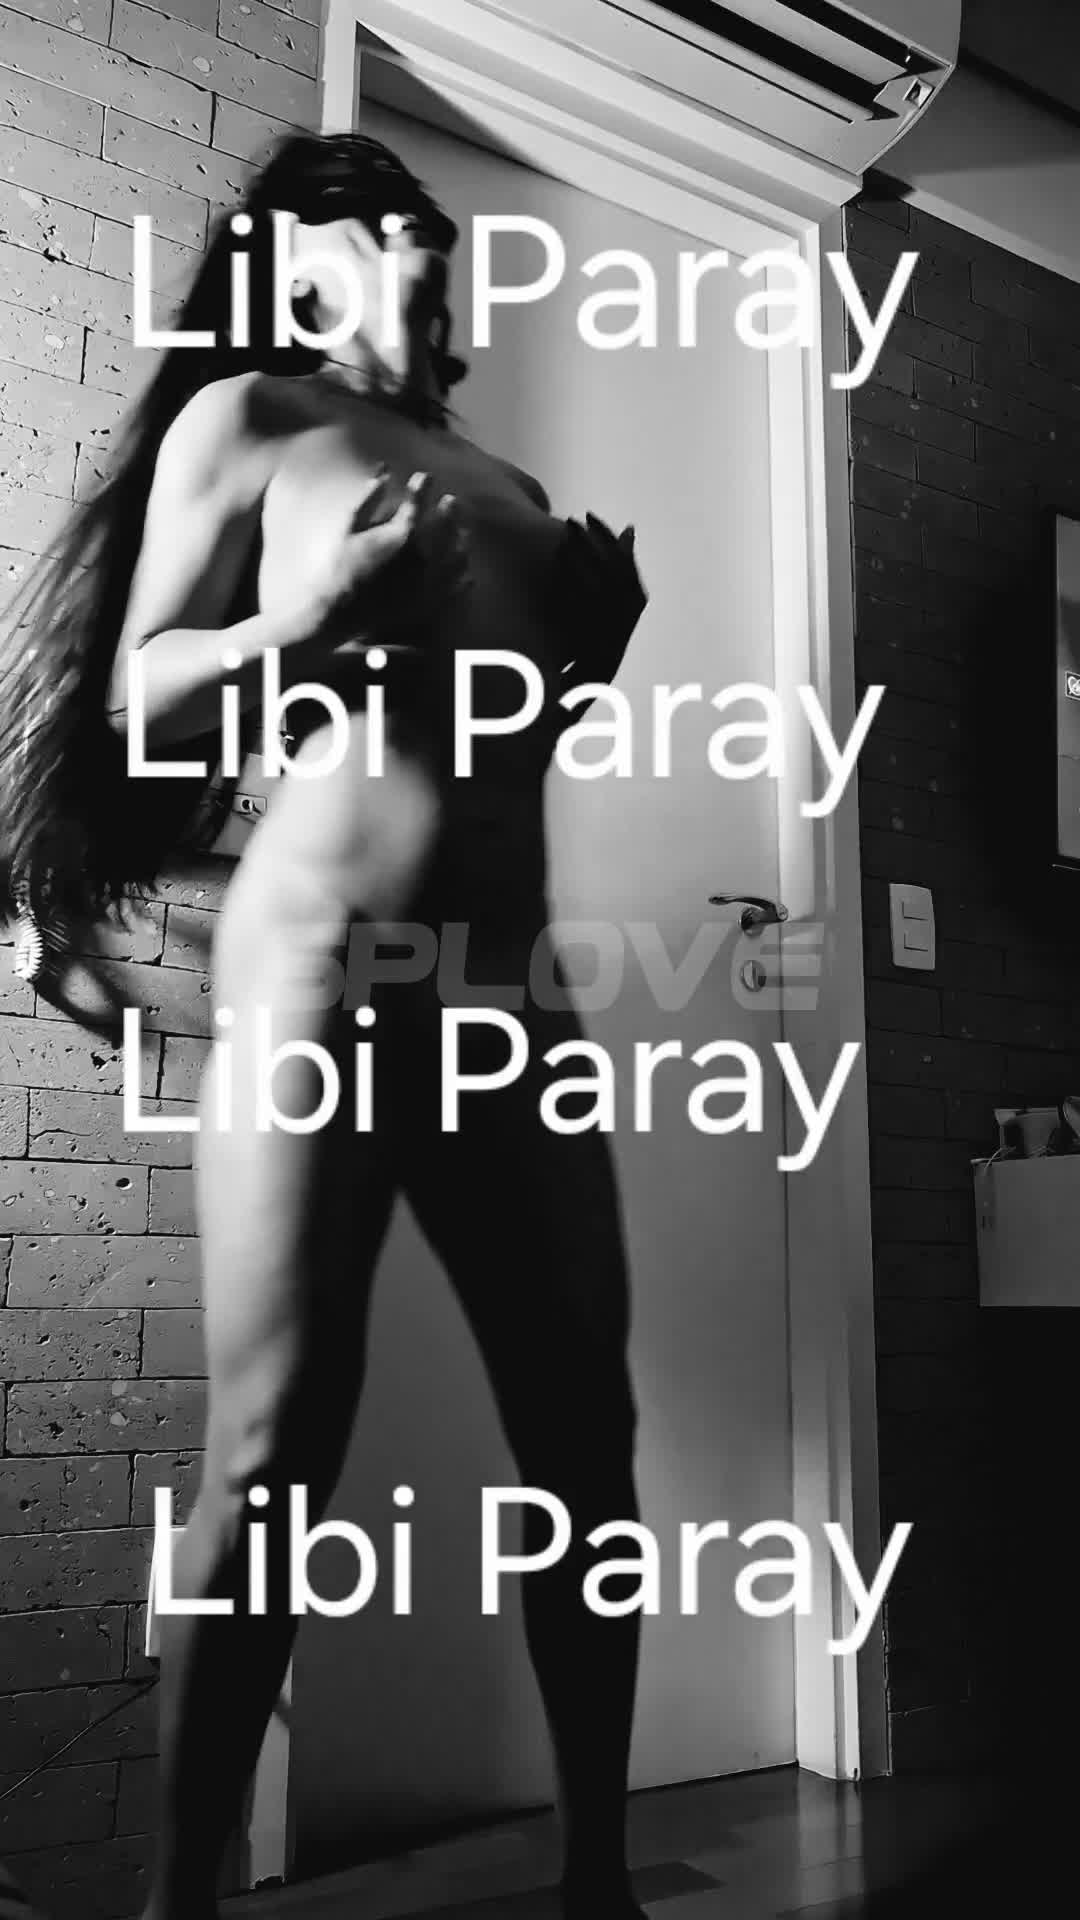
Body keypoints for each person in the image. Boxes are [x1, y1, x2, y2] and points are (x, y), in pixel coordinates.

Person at [0, 132, 649, 1920]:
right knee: (276, 1448)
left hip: (505, 984)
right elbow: (142, 695)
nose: (418, 241)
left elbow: (491, 742)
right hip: (319, 964)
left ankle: (602, 1882)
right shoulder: (256, 422)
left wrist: (585, 666)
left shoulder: (511, 481)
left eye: (424, 223)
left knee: (585, 1434)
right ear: (298, 270)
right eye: (375, 224)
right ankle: (182, 1903)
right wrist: (304, 614)